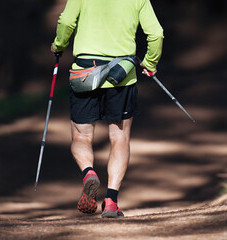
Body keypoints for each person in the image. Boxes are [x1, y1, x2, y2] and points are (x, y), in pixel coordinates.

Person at [50, 0, 163, 217]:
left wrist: (59, 44)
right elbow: (156, 33)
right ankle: (111, 201)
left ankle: (89, 172)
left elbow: (66, 22)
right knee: (119, 138)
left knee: (81, 137)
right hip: (122, 74)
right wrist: (150, 63)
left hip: (85, 73)